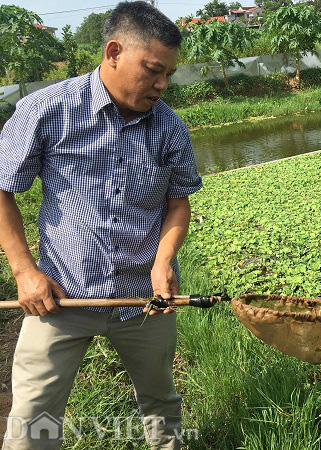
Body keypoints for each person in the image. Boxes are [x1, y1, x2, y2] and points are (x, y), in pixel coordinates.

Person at [0, 2, 202, 448]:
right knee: (32, 416)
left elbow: (177, 204)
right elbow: (1, 187)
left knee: (161, 404)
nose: (162, 84)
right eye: (153, 70)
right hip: (59, 298)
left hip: (144, 301)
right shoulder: (47, 110)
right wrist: (25, 273)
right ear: (114, 52)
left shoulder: (170, 129)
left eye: (168, 73)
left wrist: (164, 259)